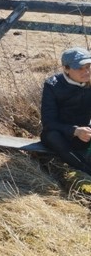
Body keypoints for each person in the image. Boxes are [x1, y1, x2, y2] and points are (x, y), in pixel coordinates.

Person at [41, 46, 91, 175]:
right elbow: (48, 122)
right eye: (80, 68)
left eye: (88, 66)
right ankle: (85, 171)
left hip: (85, 132)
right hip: (60, 133)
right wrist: (74, 130)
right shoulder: (53, 85)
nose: (86, 72)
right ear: (66, 69)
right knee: (52, 136)